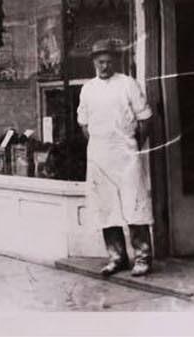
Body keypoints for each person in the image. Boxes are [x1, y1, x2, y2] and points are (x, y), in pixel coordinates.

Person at [77, 39, 155, 277]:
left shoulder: (127, 84)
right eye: (100, 62)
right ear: (93, 62)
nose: (104, 67)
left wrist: (131, 145)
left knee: (134, 203)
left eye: (109, 62)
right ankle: (116, 256)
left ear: (116, 61)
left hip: (126, 154)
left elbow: (145, 119)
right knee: (106, 206)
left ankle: (143, 257)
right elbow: (84, 125)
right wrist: (100, 144)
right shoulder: (87, 88)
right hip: (100, 155)